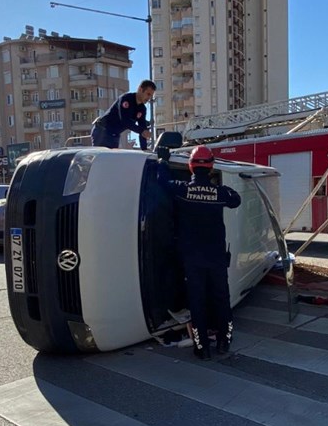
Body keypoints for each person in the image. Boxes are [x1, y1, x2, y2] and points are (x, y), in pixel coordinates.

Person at [157, 144, 242, 360]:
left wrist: (162, 161)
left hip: (193, 260)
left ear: (191, 167)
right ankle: (225, 341)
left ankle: (201, 347)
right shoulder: (219, 193)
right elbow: (236, 199)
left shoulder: (182, 189)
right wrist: (216, 190)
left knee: (197, 303)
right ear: (211, 168)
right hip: (216, 259)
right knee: (222, 300)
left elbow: (162, 182)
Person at [92, 80, 156, 150]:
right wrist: (142, 131)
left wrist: (144, 149)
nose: (149, 98)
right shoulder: (126, 99)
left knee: (112, 159)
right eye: (148, 94)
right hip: (102, 131)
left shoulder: (142, 109)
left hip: (114, 135)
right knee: (101, 159)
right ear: (140, 89)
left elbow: (143, 128)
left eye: (151, 96)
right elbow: (125, 121)